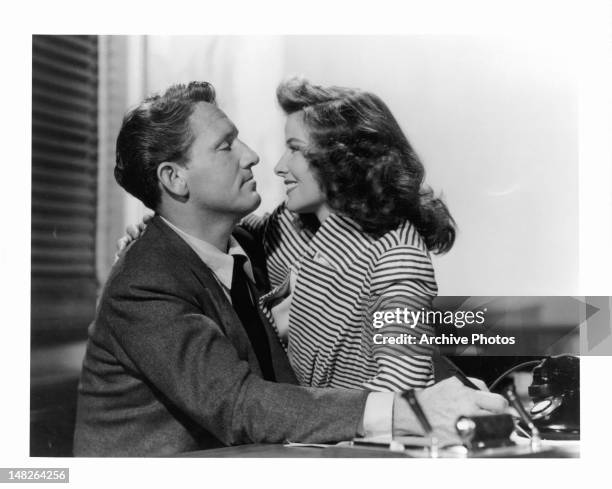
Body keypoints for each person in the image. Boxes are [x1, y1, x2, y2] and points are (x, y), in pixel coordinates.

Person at [75, 81, 508, 456]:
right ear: (173, 178)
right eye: (226, 147)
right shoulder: (148, 281)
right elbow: (239, 405)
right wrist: (408, 411)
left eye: (295, 149)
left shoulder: (246, 246)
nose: (257, 158)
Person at [241, 78, 455, 391]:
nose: (278, 166)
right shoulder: (291, 224)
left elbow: (404, 383)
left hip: (342, 434)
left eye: (294, 149)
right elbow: (235, 232)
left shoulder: (397, 255)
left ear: (341, 158)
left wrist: (304, 418)